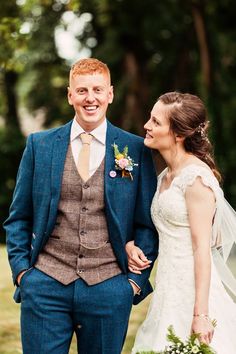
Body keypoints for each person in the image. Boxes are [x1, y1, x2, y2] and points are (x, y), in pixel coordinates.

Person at [3, 58, 158, 354]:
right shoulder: (41, 144)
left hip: (109, 286)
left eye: (98, 90)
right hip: (45, 283)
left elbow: (147, 221)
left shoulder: (135, 148)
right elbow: (18, 217)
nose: (91, 98)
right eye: (82, 90)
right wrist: (24, 273)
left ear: (110, 94)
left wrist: (133, 284)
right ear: (70, 95)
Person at [126, 92, 236, 353]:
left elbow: (203, 248)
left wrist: (200, 314)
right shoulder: (166, 174)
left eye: (156, 122)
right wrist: (131, 245)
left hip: (193, 292)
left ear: (178, 134)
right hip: (168, 287)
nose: (147, 126)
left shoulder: (196, 179)